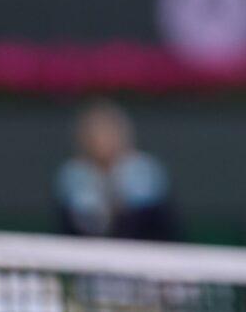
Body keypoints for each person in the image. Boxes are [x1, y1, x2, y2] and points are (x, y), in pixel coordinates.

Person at [54, 99, 178, 241]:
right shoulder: (72, 176)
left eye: (109, 130)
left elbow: (162, 229)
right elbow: (69, 232)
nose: (102, 140)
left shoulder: (146, 172)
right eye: (94, 132)